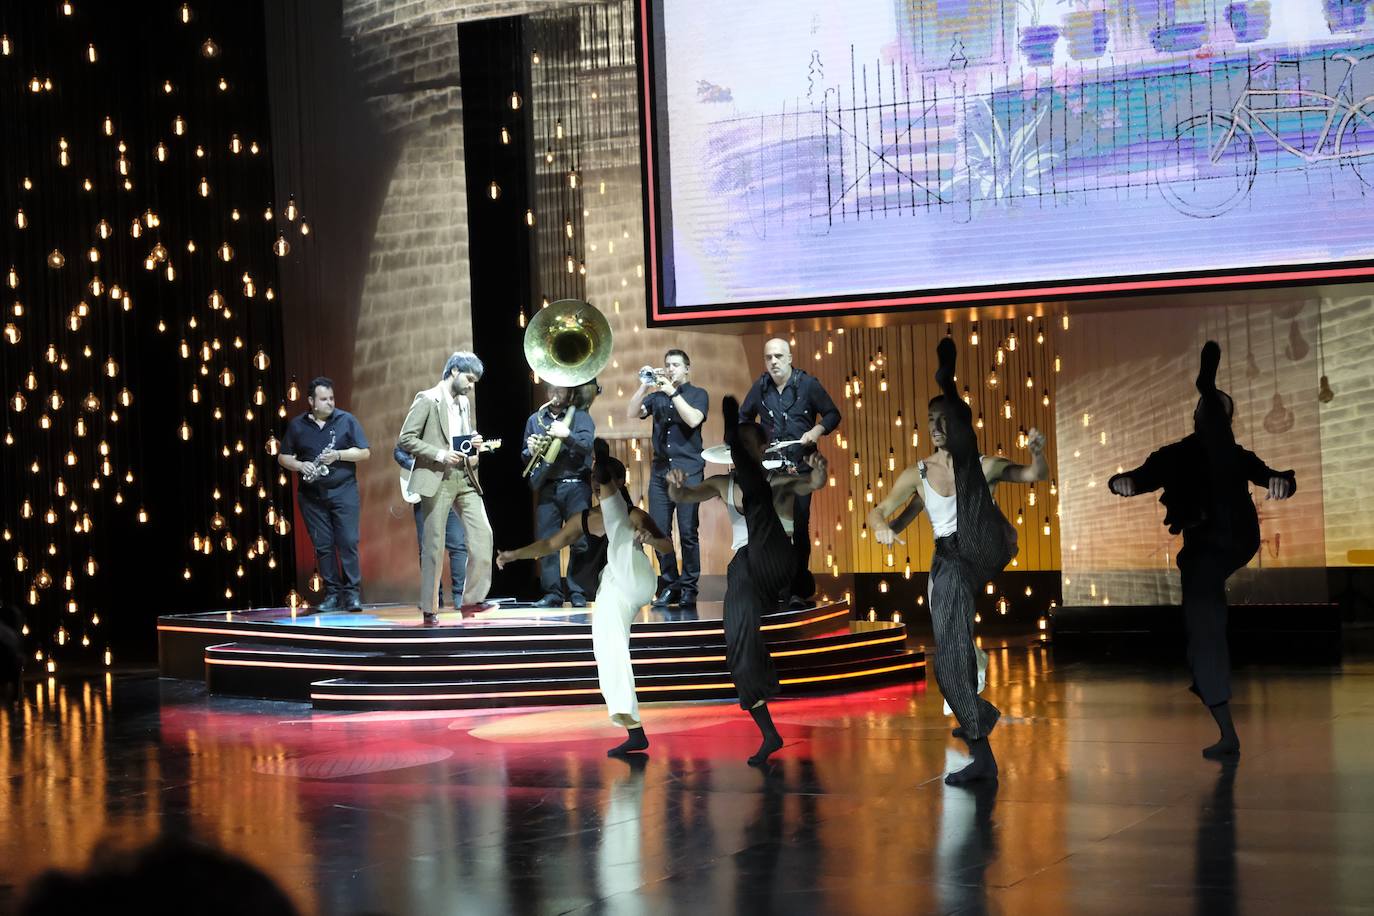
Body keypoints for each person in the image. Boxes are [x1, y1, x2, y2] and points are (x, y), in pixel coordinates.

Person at [868, 338, 1045, 785]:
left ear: (960, 424)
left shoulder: (979, 464)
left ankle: (948, 383)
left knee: (972, 474)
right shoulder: (919, 473)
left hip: (983, 545)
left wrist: (1038, 453)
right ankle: (975, 721)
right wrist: (882, 528)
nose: (936, 428)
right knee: (950, 657)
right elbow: (881, 510)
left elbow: (1030, 475)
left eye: (945, 420)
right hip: (951, 563)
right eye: (931, 422)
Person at [1109, 341, 1295, 760]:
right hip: (1204, 554)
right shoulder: (1177, 455)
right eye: (1206, 406)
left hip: (1233, 536)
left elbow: (1270, 474)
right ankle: (1227, 731)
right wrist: (1123, 483)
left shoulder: (1232, 454)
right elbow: (1141, 476)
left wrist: (1282, 481)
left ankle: (1226, 728)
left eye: (1215, 409)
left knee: (1205, 629)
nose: (1208, 417)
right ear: (1197, 417)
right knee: (1205, 636)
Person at [668, 398, 828, 765]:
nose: (739, 450)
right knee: (737, 640)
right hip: (746, 568)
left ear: (761, 448)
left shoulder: (780, 481)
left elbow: (812, 484)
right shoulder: (721, 484)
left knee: (759, 502)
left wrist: (818, 472)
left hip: (776, 558)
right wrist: (676, 490)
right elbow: (686, 495)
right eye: (735, 444)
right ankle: (768, 732)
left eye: (744, 444)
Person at [497, 441, 671, 756]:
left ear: (617, 483)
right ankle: (634, 729)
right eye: (593, 480)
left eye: (599, 479)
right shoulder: (581, 519)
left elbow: (667, 546)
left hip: (637, 576)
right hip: (613, 587)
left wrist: (651, 540)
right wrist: (513, 555)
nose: (594, 485)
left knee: (620, 531)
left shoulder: (634, 515)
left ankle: (603, 460)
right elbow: (550, 544)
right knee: (607, 647)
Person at [738, 338, 840, 608]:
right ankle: (775, 587)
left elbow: (832, 414)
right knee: (773, 529)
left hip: (801, 470)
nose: (773, 361)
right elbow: (743, 418)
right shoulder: (760, 388)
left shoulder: (808, 385)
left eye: (779, 356)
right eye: (769, 357)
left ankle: (795, 588)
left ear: (790, 357)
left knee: (799, 527)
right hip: (771, 471)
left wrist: (816, 431)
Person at [398, 352, 497, 624]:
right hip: (436, 477)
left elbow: (461, 438)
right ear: (454, 371)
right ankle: (430, 608)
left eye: (474, 381)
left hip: (463, 477)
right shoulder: (428, 398)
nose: (471, 385)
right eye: (468, 378)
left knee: (482, 535)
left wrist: (473, 443)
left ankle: (471, 600)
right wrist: (440, 454)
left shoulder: (464, 403)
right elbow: (406, 439)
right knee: (433, 545)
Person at [277, 377, 371, 612]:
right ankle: (332, 595)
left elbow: (364, 452)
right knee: (323, 546)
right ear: (311, 401)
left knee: (348, 542)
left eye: (331, 398)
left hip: (344, 492)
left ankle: (352, 595)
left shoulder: (346, 420)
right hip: (311, 497)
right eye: (324, 399)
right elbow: (283, 457)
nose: (330, 403)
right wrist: (300, 466)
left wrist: (338, 455)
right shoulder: (297, 425)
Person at [627, 349, 708, 610]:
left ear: (687, 368)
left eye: (675, 365)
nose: (670, 369)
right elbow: (632, 412)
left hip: (688, 472)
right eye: (667, 365)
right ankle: (670, 585)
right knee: (659, 531)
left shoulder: (698, 394)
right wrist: (644, 385)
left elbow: (694, 420)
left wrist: (672, 392)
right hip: (661, 472)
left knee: (687, 533)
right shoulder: (657, 397)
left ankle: (689, 589)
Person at [521, 384, 597, 607]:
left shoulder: (581, 417)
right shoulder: (535, 419)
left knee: (580, 542)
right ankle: (552, 594)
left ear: (569, 393)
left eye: (560, 391)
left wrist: (567, 435)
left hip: (576, 485)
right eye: (551, 390)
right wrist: (530, 450)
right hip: (548, 486)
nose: (555, 395)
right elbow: (525, 456)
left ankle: (577, 592)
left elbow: (587, 445)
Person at [393, 445, 467, 607]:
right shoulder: (420, 424)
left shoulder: (455, 424)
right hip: (425, 492)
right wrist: (415, 466)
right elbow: (399, 451)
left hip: (450, 486)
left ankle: (459, 595)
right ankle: (433, 597)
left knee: (457, 544)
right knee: (427, 548)